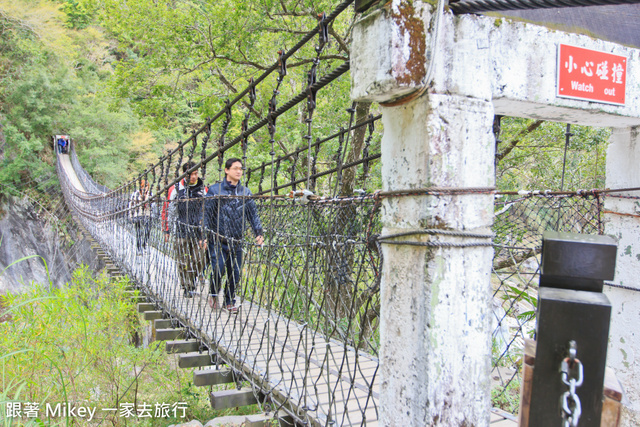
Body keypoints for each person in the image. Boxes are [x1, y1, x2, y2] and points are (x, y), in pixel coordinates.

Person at [204, 158, 264, 313]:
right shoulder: (215, 190)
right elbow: (207, 214)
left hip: (237, 239)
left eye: (241, 168)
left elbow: (253, 215)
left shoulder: (246, 192)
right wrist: (203, 235)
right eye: (235, 168)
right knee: (218, 268)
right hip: (217, 238)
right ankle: (213, 293)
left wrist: (258, 233)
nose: (239, 171)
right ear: (226, 170)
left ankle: (229, 301)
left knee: (235, 272)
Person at [165, 162, 208, 297]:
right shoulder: (176, 189)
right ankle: (187, 287)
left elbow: (208, 211)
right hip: (181, 230)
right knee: (183, 261)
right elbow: (170, 210)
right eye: (191, 174)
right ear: (185, 174)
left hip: (198, 231)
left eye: (196, 173)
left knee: (199, 259)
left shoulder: (203, 190)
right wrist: (168, 230)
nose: (194, 177)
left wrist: (205, 233)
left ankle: (193, 278)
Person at [129, 179, 153, 254]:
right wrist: (131, 216)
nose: (145, 188)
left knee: (147, 231)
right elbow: (131, 206)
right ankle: (139, 248)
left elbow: (154, 206)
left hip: (147, 215)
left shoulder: (150, 195)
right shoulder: (135, 194)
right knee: (139, 232)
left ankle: (144, 244)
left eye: (146, 186)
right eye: (143, 186)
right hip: (138, 215)